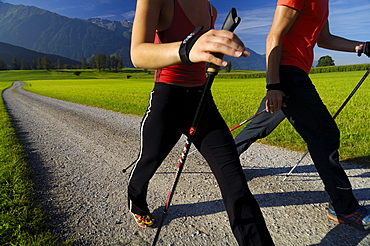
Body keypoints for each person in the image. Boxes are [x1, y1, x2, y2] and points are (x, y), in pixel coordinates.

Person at [127, 0, 274, 244]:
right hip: (168, 99)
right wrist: (187, 49)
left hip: (202, 99)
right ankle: (137, 202)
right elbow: (138, 54)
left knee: (234, 181)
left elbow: (201, 53)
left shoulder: (211, 9)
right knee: (149, 160)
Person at [235, 0, 370, 230]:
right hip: (287, 73)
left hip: (291, 73)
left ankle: (225, 161)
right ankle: (344, 208)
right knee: (325, 135)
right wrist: (274, 86)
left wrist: (362, 46)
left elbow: (324, 38)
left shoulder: (323, 3)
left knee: (260, 125)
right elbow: (273, 36)